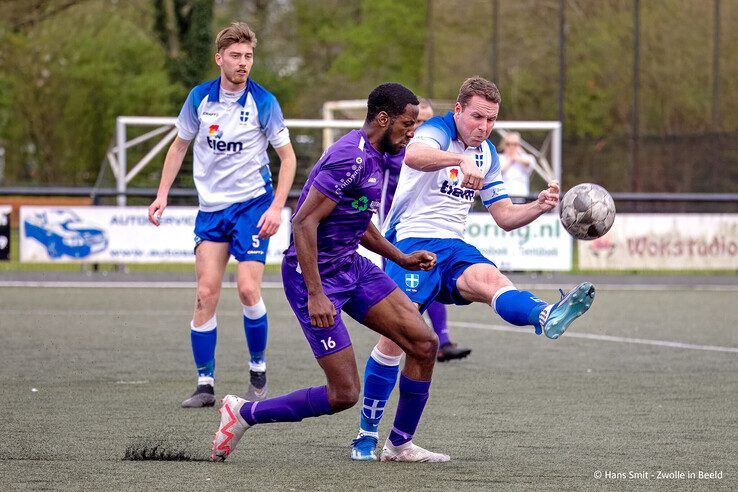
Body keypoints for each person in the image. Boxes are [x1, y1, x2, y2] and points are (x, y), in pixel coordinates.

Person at [350, 76, 595, 461]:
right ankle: (366, 435)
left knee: (491, 280)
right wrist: (458, 158)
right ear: (459, 110)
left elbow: (504, 216)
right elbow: (414, 156)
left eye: (492, 120)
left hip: (454, 246)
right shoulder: (436, 130)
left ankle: (545, 314)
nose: (484, 127)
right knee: (397, 340)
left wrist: (539, 205)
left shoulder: (488, 154)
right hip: (410, 243)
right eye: (477, 117)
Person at [211, 83, 451, 463]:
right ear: (383, 119)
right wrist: (316, 293)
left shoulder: (376, 156)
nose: (412, 132)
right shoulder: (349, 158)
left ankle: (400, 445)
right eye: (408, 124)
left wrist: (401, 258)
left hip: (351, 266)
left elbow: (360, 222)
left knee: (424, 344)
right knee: (343, 395)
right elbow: (304, 223)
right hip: (313, 278)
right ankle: (243, 413)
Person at [148, 22, 297, 407]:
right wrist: (161, 195)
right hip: (211, 210)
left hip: (252, 206)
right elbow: (178, 147)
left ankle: (258, 371)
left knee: (248, 289)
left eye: (248, 56)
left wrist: (277, 207)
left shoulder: (264, 103)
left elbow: (288, 158)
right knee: (205, 294)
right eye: (235, 56)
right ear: (219, 59)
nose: (243, 62)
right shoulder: (199, 98)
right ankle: (205, 384)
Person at [380, 98, 470, 363]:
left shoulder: (439, 151)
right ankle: (396, 344)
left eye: (429, 120)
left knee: (432, 275)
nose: (424, 125)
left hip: (425, 229)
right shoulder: (394, 150)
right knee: (396, 295)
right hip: (394, 231)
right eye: (419, 120)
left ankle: (442, 341)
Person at [499, 131, 536, 198]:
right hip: (502, 198)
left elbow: (530, 162)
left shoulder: (526, 157)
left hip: (522, 197)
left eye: (515, 144)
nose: (511, 147)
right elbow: (499, 171)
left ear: (519, 145)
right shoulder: (498, 158)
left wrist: (516, 157)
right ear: (504, 145)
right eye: (508, 144)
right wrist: (510, 160)